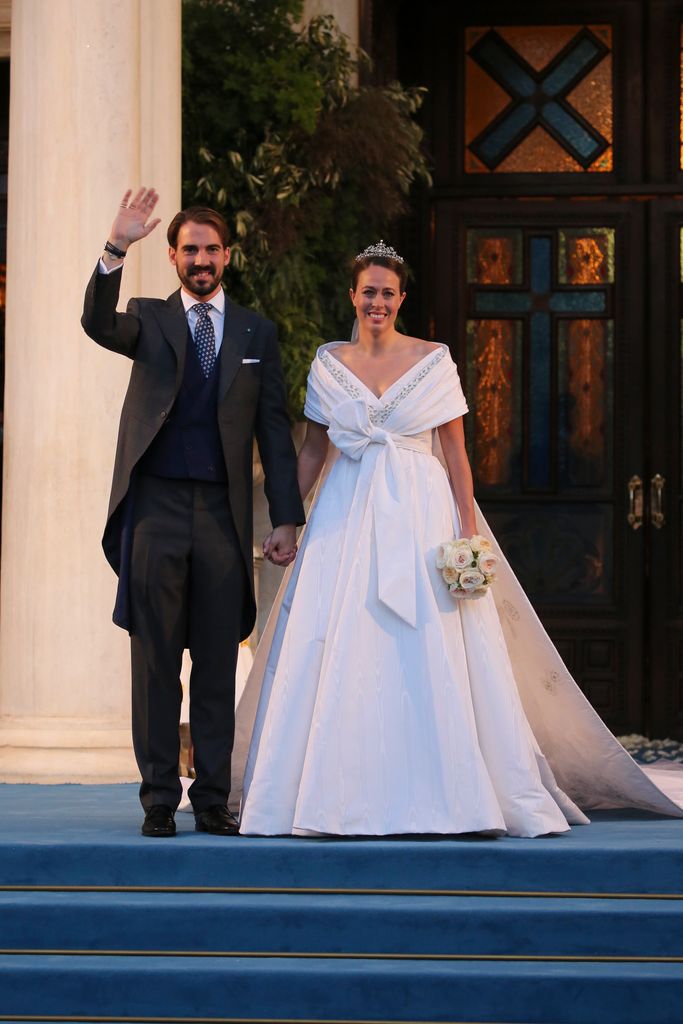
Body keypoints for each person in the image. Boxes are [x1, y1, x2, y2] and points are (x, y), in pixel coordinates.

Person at [232, 241, 683, 837]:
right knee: (337, 638)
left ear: (401, 299)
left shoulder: (433, 359)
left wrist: (468, 534)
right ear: (353, 295)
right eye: (368, 291)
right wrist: (288, 520)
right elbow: (315, 447)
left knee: (428, 638)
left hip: (421, 513)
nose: (377, 302)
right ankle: (330, 795)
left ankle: (447, 793)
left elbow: (456, 454)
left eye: (387, 293)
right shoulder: (327, 362)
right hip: (345, 515)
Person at [81, 188, 304, 838]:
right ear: (174, 256)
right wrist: (115, 246)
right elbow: (97, 322)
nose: (200, 259)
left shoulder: (257, 332)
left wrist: (285, 518)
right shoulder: (149, 319)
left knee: (214, 660)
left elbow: (272, 431)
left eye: (210, 249)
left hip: (222, 516)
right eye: (189, 250)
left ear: (226, 255)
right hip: (155, 510)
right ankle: (157, 800)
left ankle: (211, 799)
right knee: (154, 660)